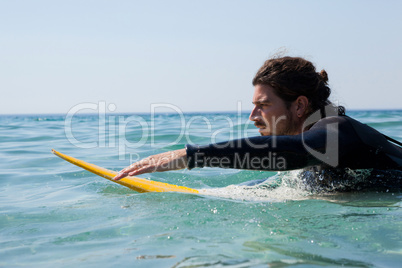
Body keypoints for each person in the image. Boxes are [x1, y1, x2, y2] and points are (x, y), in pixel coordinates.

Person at [113, 56, 402, 191]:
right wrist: (210, 195)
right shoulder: (310, 155)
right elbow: (279, 180)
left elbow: (289, 151)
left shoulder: (338, 132)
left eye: (263, 106)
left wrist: (191, 156)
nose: (252, 117)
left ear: (299, 106)